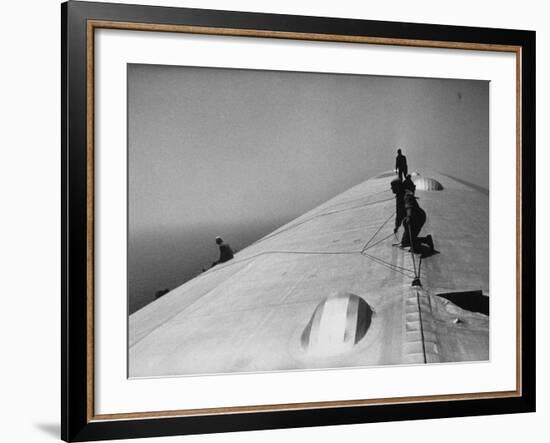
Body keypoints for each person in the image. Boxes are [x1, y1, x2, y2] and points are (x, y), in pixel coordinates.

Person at [401, 190, 435, 256]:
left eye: (393, 187)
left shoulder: (406, 196)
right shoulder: (403, 196)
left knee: (408, 241)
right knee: (404, 242)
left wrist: (408, 217)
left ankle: (426, 240)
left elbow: (409, 207)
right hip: (416, 217)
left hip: (417, 218)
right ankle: (417, 242)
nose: (392, 189)